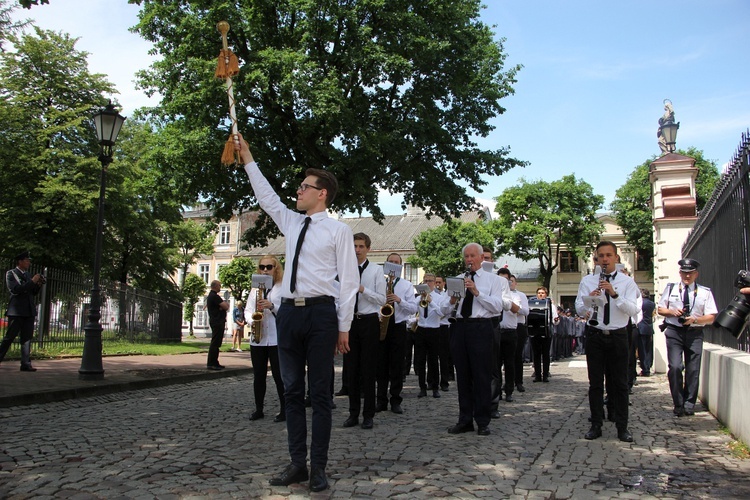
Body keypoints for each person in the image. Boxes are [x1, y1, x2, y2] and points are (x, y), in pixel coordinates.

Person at [237, 134, 358, 493]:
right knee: (291, 391)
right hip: (288, 313)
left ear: (322, 193)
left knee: (319, 393)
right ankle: (297, 463)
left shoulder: (339, 231)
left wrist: (344, 326)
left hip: (322, 314)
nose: (298, 192)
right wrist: (248, 159)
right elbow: (266, 197)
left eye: (305, 187)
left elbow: (349, 282)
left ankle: (318, 466)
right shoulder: (292, 223)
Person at [442, 243, 512, 436]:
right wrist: (452, 300)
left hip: (481, 327)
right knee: (462, 376)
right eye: (466, 256)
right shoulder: (457, 279)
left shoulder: (493, 280)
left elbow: (498, 306)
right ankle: (464, 420)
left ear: (482, 258)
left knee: (481, 375)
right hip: (460, 326)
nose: (469, 260)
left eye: (473, 256)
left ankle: (482, 421)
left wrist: (477, 293)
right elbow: (442, 310)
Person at [576, 241, 639, 443]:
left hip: (618, 334)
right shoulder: (587, 281)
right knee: (595, 383)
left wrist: (614, 293)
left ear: (616, 257)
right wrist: (588, 303)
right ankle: (596, 424)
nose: (604, 259)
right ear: (596, 257)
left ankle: (622, 427)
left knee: (620, 383)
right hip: (595, 334)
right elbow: (578, 306)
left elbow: (633, 310)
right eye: (601, 256)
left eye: (608, 255)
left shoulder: (627, 282)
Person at [657, 258, 717, 417]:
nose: (687, 276)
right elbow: (660, 310)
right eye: (684, 273)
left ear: (696, 274)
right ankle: (678, 402)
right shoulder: (671, 289)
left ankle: (689, 403)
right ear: (680, 273)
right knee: (675, 367)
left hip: (694, 332)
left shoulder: (705, 292)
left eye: (690, 273)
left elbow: (711, 317)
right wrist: (672, 312)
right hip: (674, 331)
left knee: (693, 369)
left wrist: (695, 320)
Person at [343, 233, 385, 430]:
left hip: (368, 321)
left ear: (368, 248)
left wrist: (362, 289)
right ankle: (353, 414)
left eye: (361, 246)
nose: (357, 250)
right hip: (351, 322)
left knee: (368, 370)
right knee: (351, 370)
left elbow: (382, 299)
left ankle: (368, 414)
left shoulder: (376, 271)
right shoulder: (345, 270)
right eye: (354, 246)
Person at [245, 255, 286, 423]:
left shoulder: (283, 287)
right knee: (259, 375)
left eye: (269, 267)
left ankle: (284, 409)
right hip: (258, 338)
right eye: (262, 267)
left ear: (276, 268)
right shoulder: (256, 289)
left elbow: (288, 312)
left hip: (277, 337)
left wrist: (272, 306)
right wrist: (252, 320)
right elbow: (248, 310)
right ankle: (259, 408)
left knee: (279, 375)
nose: (265, 270)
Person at [376, 252, 417, 414]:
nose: (393, 265)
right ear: (386, 265)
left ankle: (395, 399)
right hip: (381, 324)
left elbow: (414, 308)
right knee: (380, 364)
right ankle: (381, 399)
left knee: (397, 364)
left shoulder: (406, 285)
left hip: (398, 326)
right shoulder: (379, 282)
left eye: (396, 262)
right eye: (390, 262)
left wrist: (399, 300)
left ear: (400, 266)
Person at [0, 251, 43, 371]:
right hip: (17, 311)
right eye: (26, 260)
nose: (28, 262)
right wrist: (32, 282)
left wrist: (38, 285)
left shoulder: (28, 275)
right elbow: (16, 290)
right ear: (20, 262)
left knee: (27, 338)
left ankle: (26, 364)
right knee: (9, 337)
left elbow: (32, 292)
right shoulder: (11, 274)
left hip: (28, 310)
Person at [491, 268, 521, 418]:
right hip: (497, 331)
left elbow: (519, 310)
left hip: (510, 332)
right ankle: (495, 394)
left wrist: (505, 302)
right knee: (495, 365)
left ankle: (509, 390)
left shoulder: (516, 295)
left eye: (506, 279)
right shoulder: (494, 292)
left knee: (509, 364)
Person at [413, 273, 445, 399]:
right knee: (420, 360)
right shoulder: (418, 297)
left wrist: (430, 302)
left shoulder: (439, 298)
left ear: (434, 282)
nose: (428, 283)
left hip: (434, 330)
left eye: (430, 281)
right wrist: (419, 299)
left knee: (433, 360)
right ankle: (422, 387)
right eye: (426, 281)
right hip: (421, 329)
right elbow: (411, 308)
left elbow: (441, 313)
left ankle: (435, 387)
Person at [529, 286, 558, 382]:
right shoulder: (532, 304)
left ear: (546, 294)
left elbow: (555, 320)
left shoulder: (551, 305)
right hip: (535, 331)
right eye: (539, 293)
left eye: (542, 293)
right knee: (536, 354)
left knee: (545, 354)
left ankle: (545, 374)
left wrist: (555, 320)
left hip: (546, 331)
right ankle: (537, 375)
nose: (540, 294)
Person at [434, 275, 454, 390]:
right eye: (436, 282)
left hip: (444, 326)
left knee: (444, 356)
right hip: (434, 326)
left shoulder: (446, 295)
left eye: (439, 282)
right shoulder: (431, 295)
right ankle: (433, 381)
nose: (437, 284)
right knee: (432, 356)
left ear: (443, 284)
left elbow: (448, 310)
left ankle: (445, 381)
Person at [510, 275, 529, 393]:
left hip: (519, 326)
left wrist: (514, 307)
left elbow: (526, 311)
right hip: (507, 327)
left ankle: (519, 381)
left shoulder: (521, 295)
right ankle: (508, 381)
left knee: (517, 355)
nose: (510, 283)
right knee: (507, 357)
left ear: (516, 283)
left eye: (512, 281)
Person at [206, 280, 229, 370]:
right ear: (215, 286)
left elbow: (224, 306)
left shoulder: (212, 296)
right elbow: (226, 306)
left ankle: (214, 361)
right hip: (217, 321)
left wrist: (222, 307)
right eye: (219, 285)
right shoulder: (214, 296)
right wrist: (222, 307)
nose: (220, 287)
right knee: (215, 342)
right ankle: (212, 362)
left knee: (217, 342)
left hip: (217, 321)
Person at [637, 289, 656, 377]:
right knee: (648, 350)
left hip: (641, 328)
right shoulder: (652, 303)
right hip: (649, 328)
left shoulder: (641, 303)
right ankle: (648, 366)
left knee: (642, 350)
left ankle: (645, 369)